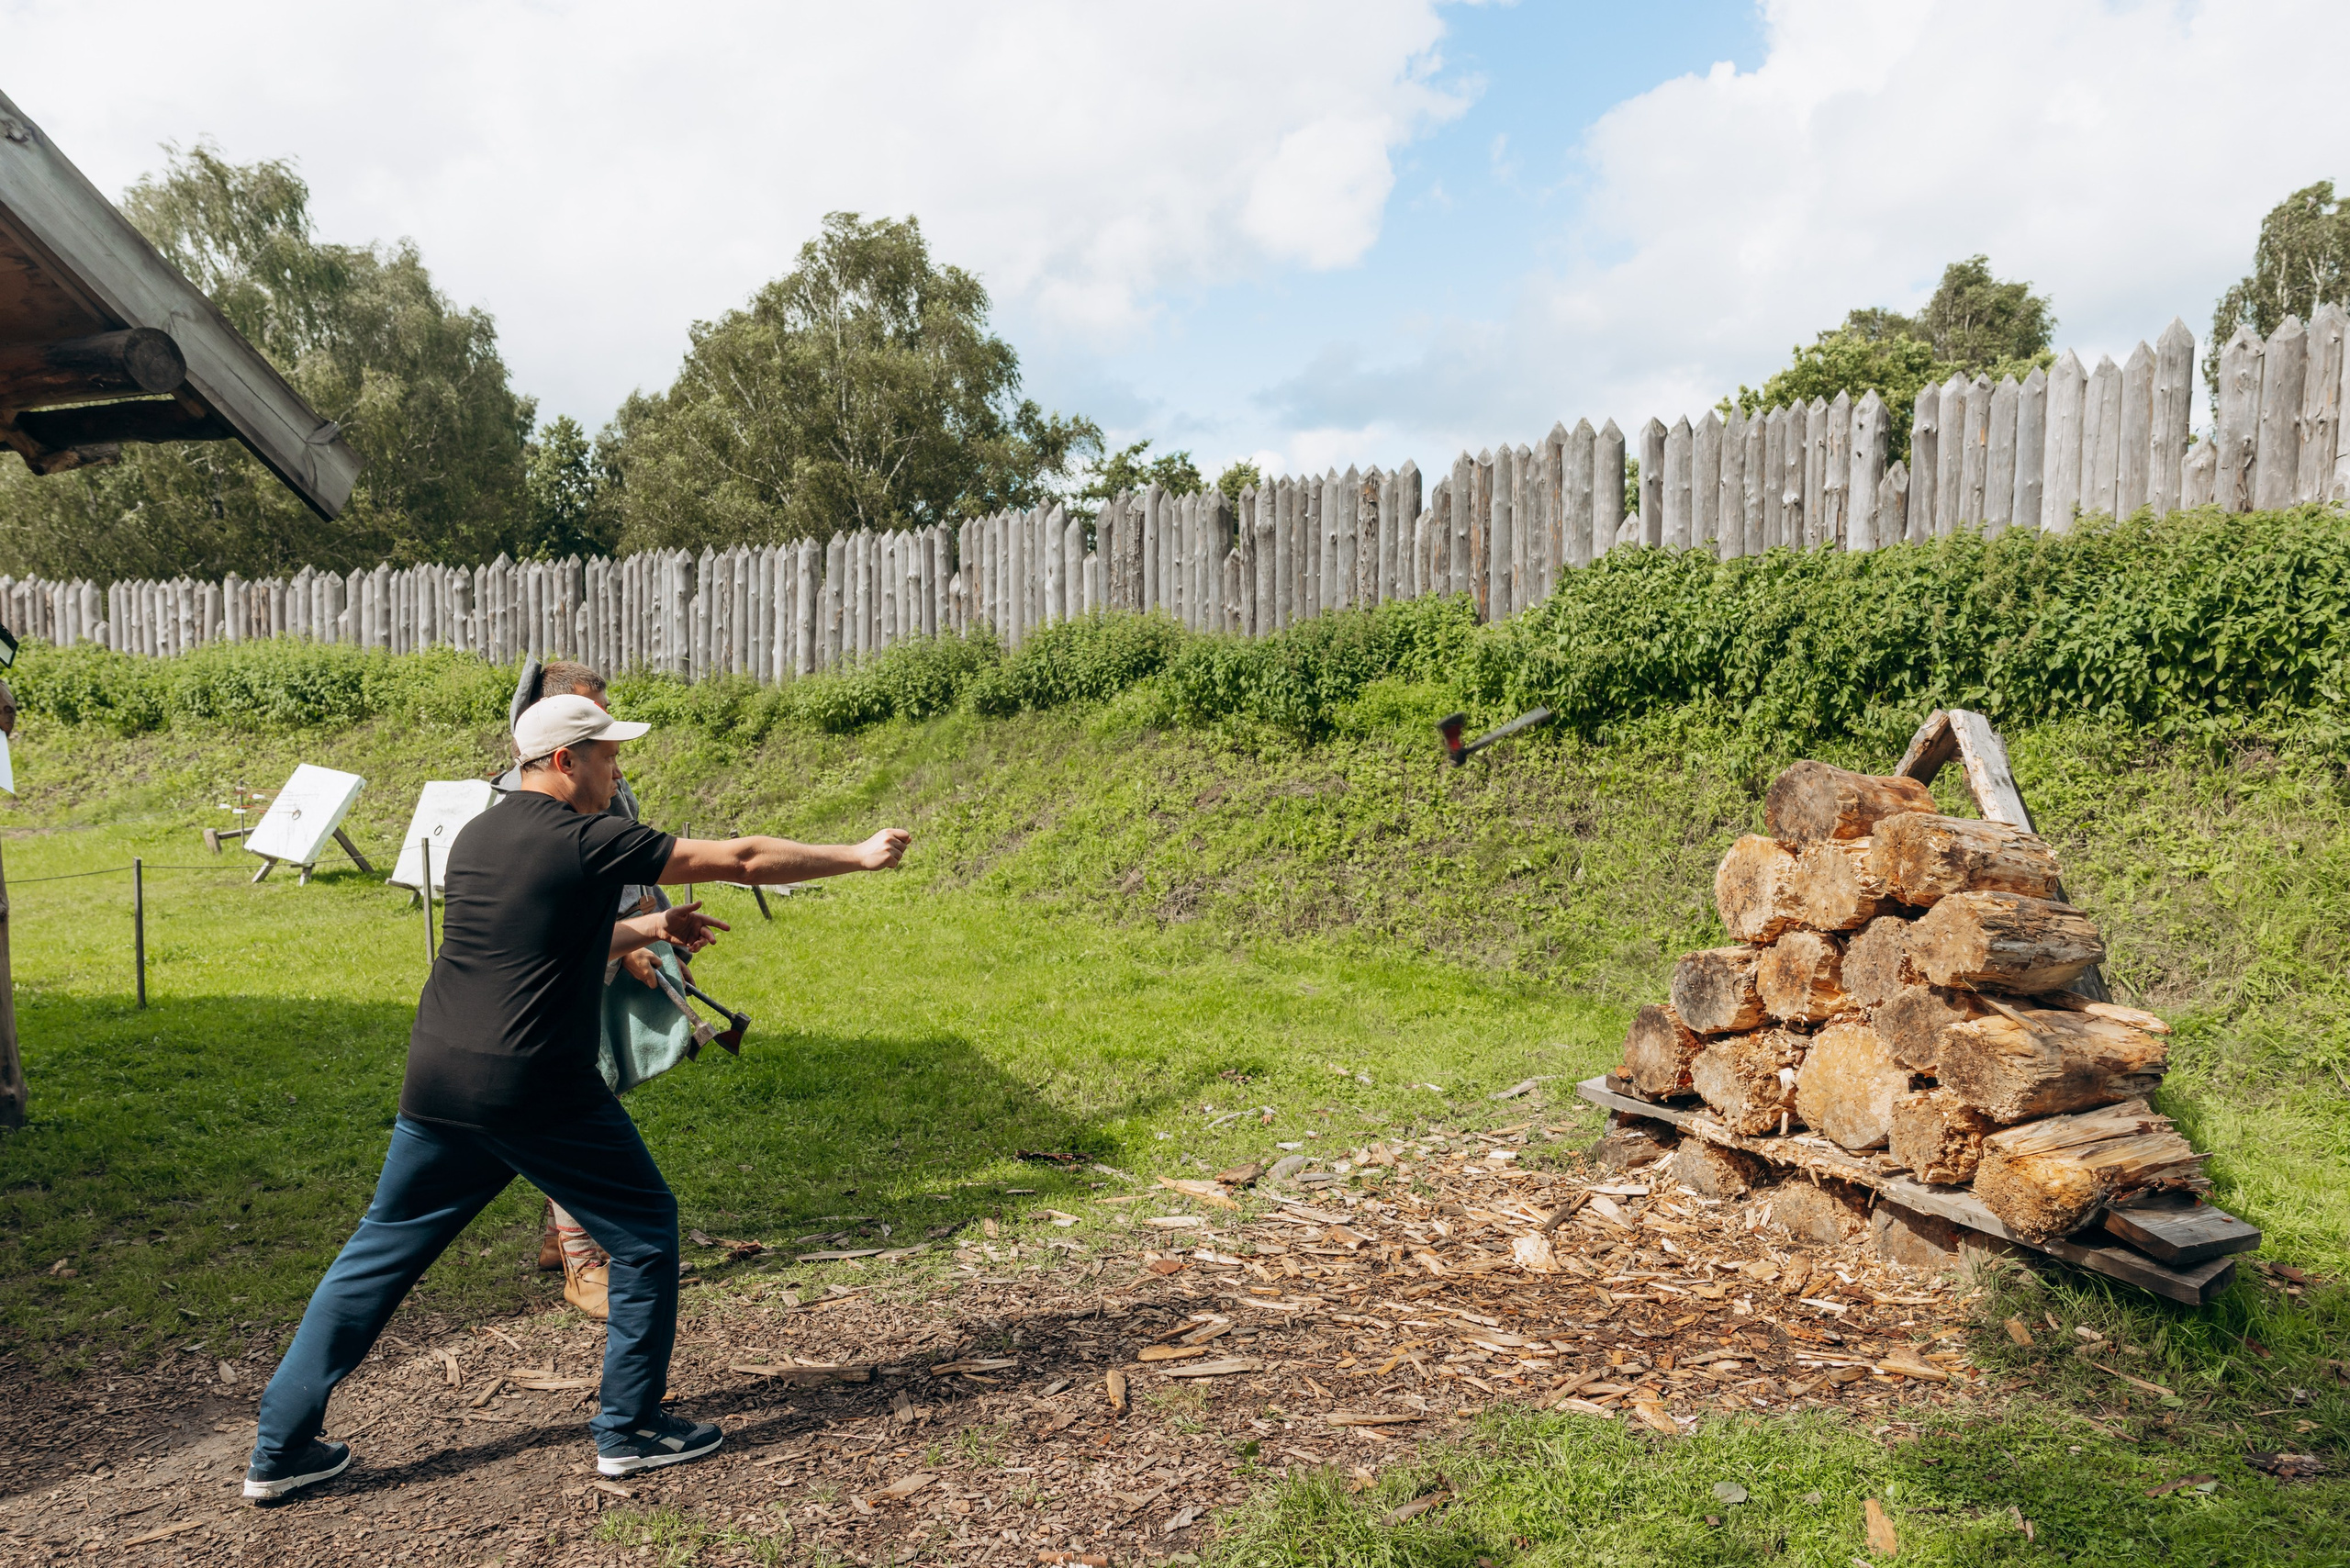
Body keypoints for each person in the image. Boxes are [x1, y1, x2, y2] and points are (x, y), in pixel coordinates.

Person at [244, 694, 911, 1500]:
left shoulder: (480, 834)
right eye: (608, 756)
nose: (618, 771)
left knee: (378, 1254)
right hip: (534, 1083)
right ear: (566, 761)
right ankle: (629, 1430)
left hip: (441, 1076)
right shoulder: (590, 837)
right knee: (641, 1232)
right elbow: (741, 858)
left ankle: (279, 1449)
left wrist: (650, 930)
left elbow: (540, 936)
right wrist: (859, 854)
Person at [498, 661, 669, 1309]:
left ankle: (560, 1238)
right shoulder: (520, 804)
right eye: (590, 711)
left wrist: (642, 928)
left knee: (565, 1105)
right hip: (538, 993)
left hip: (573, 970)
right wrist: (629, 937)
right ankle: (583, 1260)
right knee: (569, 1107)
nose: (609, 737)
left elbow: (623, 852)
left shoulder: (592, 784)